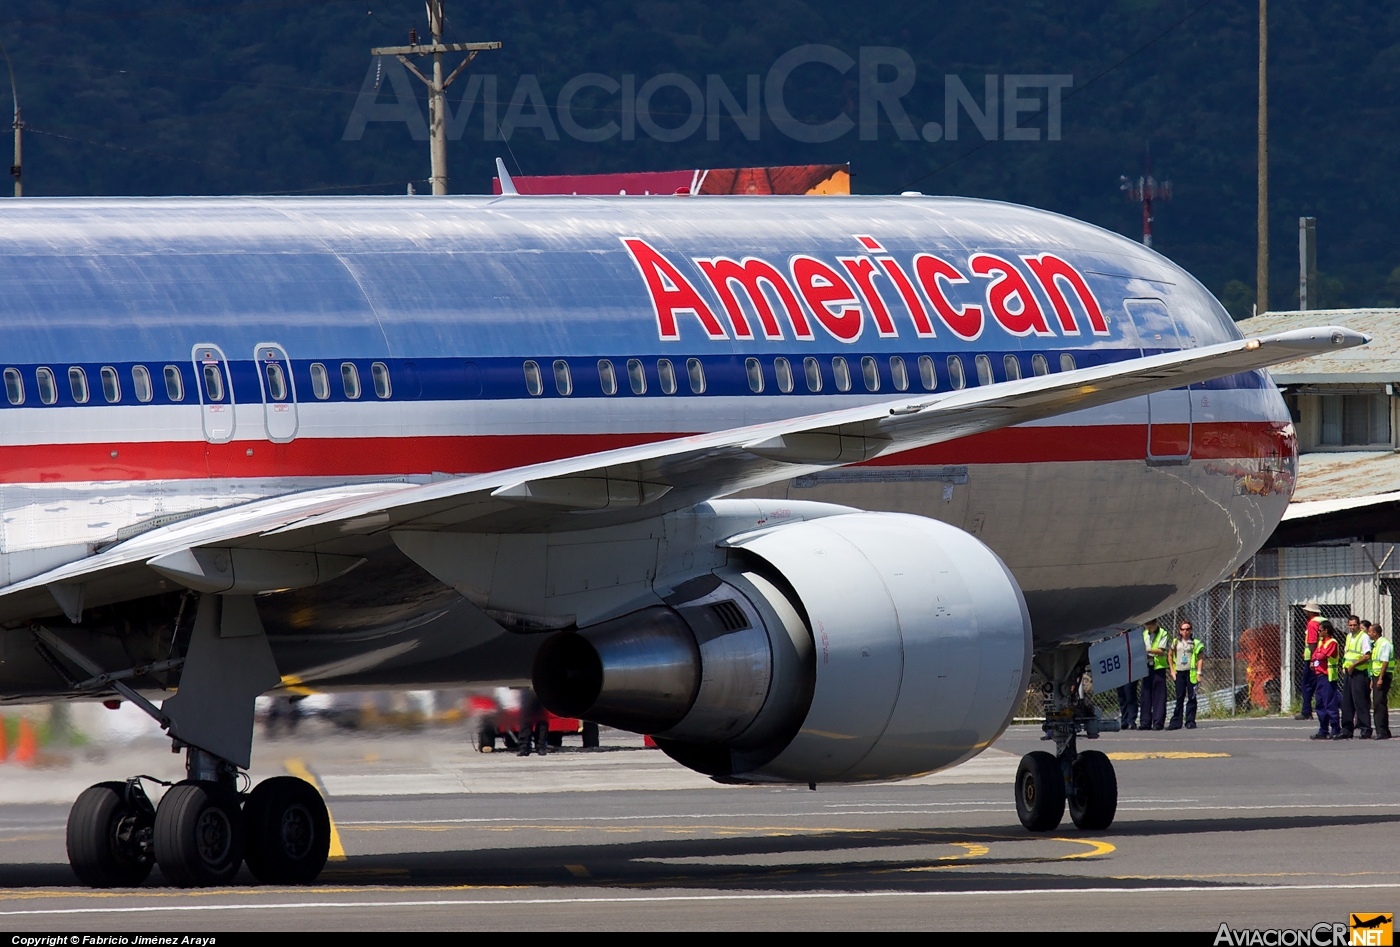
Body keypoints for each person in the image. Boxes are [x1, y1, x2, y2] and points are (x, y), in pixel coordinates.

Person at [1338, 614, 1373, 739]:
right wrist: (1345, 665)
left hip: (1359, 672)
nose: (1352, 627)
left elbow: (1367, 655)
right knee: (1347, 702)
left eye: (1355, 625)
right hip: (1349, 672)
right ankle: (1347, 729)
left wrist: (1353, 665)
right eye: (1350, 625)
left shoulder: (1364, 637)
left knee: (1360, 702)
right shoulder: (1349, 637)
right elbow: (1347, 653)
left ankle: (1365, 729)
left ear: (1359, 625)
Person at [1168, 620, 1206, 729]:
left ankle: (1190, 721)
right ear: (1180, 631)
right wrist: (1172, 670)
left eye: (1188, 629)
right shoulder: (1176, 642)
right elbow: (1170, 655)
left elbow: (1200, 659)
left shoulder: (1195, 643)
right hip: (1179, 672)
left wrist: (1199, 673)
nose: (1185, 631)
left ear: (1191, 630)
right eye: (1183, 629)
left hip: (1191, 673)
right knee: (1179, 697)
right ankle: (1176, 722)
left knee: (1191, 697)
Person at [1310, 621, 1341, 739]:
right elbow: (1315, 655)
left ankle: (1335, 728)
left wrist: (1317, 656)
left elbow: (1323, 656)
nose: (1318, 632)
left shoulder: (1332, 643)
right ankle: (1323, 729)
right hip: (1320, 676)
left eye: (1320, 630)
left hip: (1328, 676)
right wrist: (1314, 660)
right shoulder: (1320, 643)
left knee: (1330, 703)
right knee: (1320, 703)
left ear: (1326, 631)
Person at [1140, 618, 1170, 731]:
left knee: (1159, 695)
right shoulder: (1144, 634)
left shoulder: (1163, 633)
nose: (1148, 628)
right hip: (1147, 666)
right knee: (1145, 694)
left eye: (1150, 625)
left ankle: (1158, 722)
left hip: (1158, 667)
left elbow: (1161, 650)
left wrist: (1148, 650)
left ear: (1156, 624)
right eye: (1146, 625)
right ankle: (1145, 722)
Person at [1295, 602, 1324, 720]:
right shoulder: (1324, 621)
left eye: (1307, 611)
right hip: (1323, 655)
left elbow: (1312, 642)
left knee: (1307, 685)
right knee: (1322, 683)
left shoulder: (1312, 623)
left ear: (1311, 612)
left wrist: (1313, 659)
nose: (1305, 613)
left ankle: (1306, 711)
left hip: (1312, 658)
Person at [1370, 623, 1392, 741]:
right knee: (1378, 702)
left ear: (1375, 633)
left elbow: (1384, 662)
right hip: (1377, 675)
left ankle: (1382, 731)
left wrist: (1380, 678)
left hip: (1383, 676)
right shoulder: (1376, 644)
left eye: (1370, 632)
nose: (1369, 634)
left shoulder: (1384, 644)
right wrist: (1373, 679)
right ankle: (1382, 730)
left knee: (1379, 703)